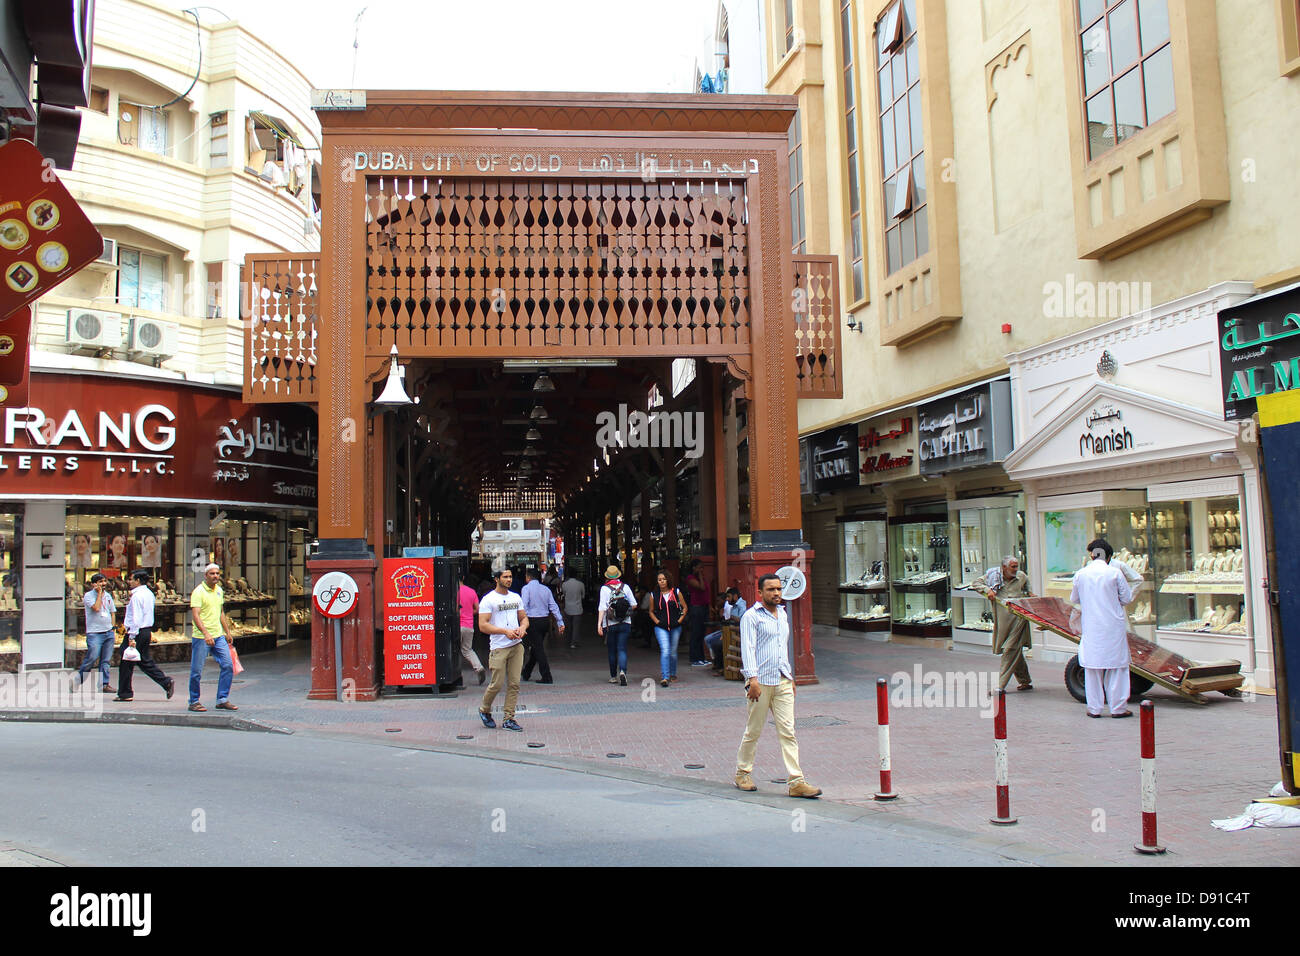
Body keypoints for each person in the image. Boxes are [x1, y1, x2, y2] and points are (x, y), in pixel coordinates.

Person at [734, 574, 821, 798]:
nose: (776, 593)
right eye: (771, 589)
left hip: (781, 680)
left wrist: (789, 677)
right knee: (754, 730)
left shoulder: (782, 614)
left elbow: (783, 649)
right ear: (760, 593)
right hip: (760, 682)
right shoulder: (751, 617)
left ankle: (796, 781)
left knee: (788, 732)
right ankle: (743, 773)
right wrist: (752, 679)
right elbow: (748, 649)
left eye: (779, 589)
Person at [1070, 539, 1134, 718]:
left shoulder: (1081, 574)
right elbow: (1127, 598)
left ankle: (1094, 708)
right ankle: (1118, 708)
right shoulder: (1115, 573)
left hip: (1091, 626)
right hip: (1113, 626)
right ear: (1109, 556)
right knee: (1117, 667)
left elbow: (1075, 598)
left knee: (1092, 667)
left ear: (1092, 554)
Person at [973, 556, 1034, 691]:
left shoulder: (1021, 576)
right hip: (1003, 623)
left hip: (1019, 620)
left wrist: (1030, 593)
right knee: (1014, 650)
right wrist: (987, 590)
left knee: (1009, 650)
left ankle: (1000, 686)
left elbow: (1028, 588)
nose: (1016, 569)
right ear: (1004, 567)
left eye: (1016, 566)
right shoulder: (993, 577)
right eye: (1013, 566)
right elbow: (976, 583)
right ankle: (1025, 681)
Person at [478, 568, 527, 731]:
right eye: (505, 577)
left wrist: (523, 627)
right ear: (496, 579)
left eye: (510, 577)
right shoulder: (488, 599)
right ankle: (484, 709)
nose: (509, 580)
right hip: (499, 646)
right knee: (496, 684)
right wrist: (505, 631)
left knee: (514, 684)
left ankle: (509, 718)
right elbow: (483, 625)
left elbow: (523, 617)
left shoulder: (516, 597)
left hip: (516, 646)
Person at [117, 570, 175, 702]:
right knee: (141, 661)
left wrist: (132, 636)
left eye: (131, 579)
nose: (129, 582)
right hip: (145, 631)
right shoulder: (149, 594)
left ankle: (126, 693)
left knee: (129, 659)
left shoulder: (137, 596)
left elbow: (136, 617)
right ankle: (164, 682)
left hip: (137, 631)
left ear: (138, 581)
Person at [189, 563, 236, 712]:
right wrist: (205, 633)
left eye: (217, 573)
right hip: (201, 637)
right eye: (212, 574)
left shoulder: (219, 591)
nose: (215, 576)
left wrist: (227, 631)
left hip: (218, 636)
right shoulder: (198, 592)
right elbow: (195, 615)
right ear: (206, 575)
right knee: (197, 670)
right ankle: (194, 700)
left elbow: (221, 612)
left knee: (228, 665)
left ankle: (222, 699)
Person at [521, 566, 564, 684]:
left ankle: (546, 676)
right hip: (545, 621)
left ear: (528, 577)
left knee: (538, 648)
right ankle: (526, 672)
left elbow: (523, 606)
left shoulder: (526, 589)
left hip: (532, 621)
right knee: (536, 647)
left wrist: (521, 622)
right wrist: (560, 621)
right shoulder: (546, 589)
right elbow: (553, 606)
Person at [75, 572, 116, 694]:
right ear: (93, 584)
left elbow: (112, 612)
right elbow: (96, 608)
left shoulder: (108, 596)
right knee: (91, 658)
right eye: (100, 582)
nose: (103, 584)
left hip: (108, 632)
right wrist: (98, 594)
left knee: (106, 661)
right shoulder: (88, 596)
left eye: (104, 581)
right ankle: (78, 680)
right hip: (95, 633)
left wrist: (112, 628)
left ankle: (104, 684)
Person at [597, 565, 635, 686]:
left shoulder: (604, 589)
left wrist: (599, 625)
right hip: (625, 623)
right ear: (618, 575)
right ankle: (623, 671)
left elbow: (602, 607)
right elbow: (634, 604)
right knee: (622, 649)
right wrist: (624, 609)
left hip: (610, 624)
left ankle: (613, 676)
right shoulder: (626, 587)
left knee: (612, 650)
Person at [648, 570, 686, 687]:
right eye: (659, 580)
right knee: (665, 650)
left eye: (664, 579)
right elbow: (651, 611)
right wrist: (658, 622)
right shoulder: (654, 595)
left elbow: (685, 608)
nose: (662, 582)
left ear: (668, 580)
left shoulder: (677, 592)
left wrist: (679, 620)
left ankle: (673, 673)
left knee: (673, 652)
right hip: (661, 627)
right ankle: (665, 676)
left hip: (675, 626)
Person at [706, 586, 746, 673]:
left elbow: (743, 620)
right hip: (729, 631)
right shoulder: (733, 606)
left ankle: (722, 667)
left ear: (735, 596)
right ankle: (719, 665)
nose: (727, 599)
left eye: (728, 597)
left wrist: (731, 617)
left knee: (718, 644)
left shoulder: (741, 605)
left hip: (737, 633)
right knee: (711, 640)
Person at [458, 573, 486, 686]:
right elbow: (477, 609)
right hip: (469, 625)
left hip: (457, 625)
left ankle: (454, 675)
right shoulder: (471, 591)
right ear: (463, 578)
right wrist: (469, 613)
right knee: (467, 650)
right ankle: (479, 667)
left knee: (453, 651)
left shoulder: (453, 591)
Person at [684, 558, 711, 666]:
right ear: (693, 568)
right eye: (699, 567)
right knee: (696, 632)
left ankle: (701, 657)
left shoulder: (702, 578)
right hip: (696, 607)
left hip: (704, 607)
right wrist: (699, 575)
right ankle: (694, 658)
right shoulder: (690, 578)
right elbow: (702, 588)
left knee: (701, 633)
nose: (701, 569)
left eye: (702, 567)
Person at [560, 571, 586, 648]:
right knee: (576, 626)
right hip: (577, 608)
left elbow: (564, 594)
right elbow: (583, 596)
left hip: (568, 608)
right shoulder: (580, 584)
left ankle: (569, 640)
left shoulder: (564, 584)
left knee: (569, 626)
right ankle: (574, 642)